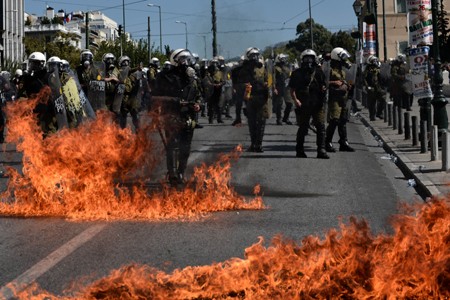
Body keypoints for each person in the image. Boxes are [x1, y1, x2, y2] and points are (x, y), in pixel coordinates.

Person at [152, 48, 201, 186]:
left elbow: (199, 95)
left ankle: (181, 172)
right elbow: (155, 97)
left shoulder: (192, 77)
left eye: (187, 59)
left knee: (185, 147)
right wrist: (175, 101)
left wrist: (198, 104)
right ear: (175, 60)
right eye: (182, 59)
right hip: (171, 114)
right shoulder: (164, 76)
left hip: (189, 116)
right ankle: (172, 174)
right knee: (172, 146)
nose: (185, 62)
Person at [289, 49, 329, 159]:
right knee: (303, 128)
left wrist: (324, 90)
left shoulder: (319, 72)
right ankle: (299, 150)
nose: (308, 61)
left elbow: (324, 86)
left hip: (317, 104)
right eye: (306, 58)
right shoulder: (297, 73)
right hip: (303, 105)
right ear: (302, 60)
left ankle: (321, 150)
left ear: (314, 59)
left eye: (311, 58)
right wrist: (296, 100)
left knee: (321, 127)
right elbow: (292, 89)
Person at [236, 47, 270, 152]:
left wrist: (267, 85)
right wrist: (244, 86)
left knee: (261, 122)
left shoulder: (263, 68)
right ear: (248, 56)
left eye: (256, 55)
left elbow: (268, 81)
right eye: (252, 55)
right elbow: (239, 83)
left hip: (261, 97)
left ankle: (258, 144)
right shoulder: (243, 69)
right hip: (250, 98)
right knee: (252, 122)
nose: (254, 57)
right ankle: (253, 144)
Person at [325, 47, 355, 152]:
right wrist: (333, 83)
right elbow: (323, 82)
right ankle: (327, 142)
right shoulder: (328, 68)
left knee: (343, 120)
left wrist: (347, 84)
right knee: (334, 120)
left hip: (343, 97)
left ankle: (343, 142)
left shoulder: (341, 69)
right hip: (334, 98)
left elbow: (343, 79)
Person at [119, 55, 141, 131]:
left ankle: (139, 133)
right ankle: (122, 134)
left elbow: (138, 86)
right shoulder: (119, 72)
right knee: (123, 118)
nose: (126, 64)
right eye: (124, 62)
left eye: (127, 62)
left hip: (131, 98)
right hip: (122, 97)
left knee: (135, 116)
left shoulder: (133, 75)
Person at [363, 55, 386, 120]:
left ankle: (379, 113)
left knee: (382, 99)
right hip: (371, 87)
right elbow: (364, 78)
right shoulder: (367, 69)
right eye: (373, 61)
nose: (375, 62)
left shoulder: (378, 68)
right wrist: (367, 86)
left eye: (375, 60)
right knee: (372, 103)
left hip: (378, 87)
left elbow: (382, 77)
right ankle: (372, 115)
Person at [273, 53, 293, 125]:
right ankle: (279, 119)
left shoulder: (287, 67)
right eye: (283, 59)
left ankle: (286, 118)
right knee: (279, 104)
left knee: (290, 103)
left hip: (287, 87)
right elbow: (272, 78)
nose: (285, 60)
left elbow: (290, 76)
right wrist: (274, 88)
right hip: (279, 87)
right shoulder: (275, 68)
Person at [206, 58, 225, 124]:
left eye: (216, 63)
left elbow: (223, 81)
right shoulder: (208, 73)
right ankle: (210, 120)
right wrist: (212, 85)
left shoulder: (220, 73)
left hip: (218, 91)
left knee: (218, 106)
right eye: (213, 63)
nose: (215, 65)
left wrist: (220, 84)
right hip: (211, 91)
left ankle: (219, 119)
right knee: (210, 106)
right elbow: (206, 82)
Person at [231, 56, 245, 126]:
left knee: (249, 103)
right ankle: (238, 119)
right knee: (238, 104)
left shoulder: (249, 69)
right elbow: (233, 80)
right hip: (238, 87)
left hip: (247, 87)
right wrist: (234, 88)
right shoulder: (235, 70)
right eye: (241, 61)